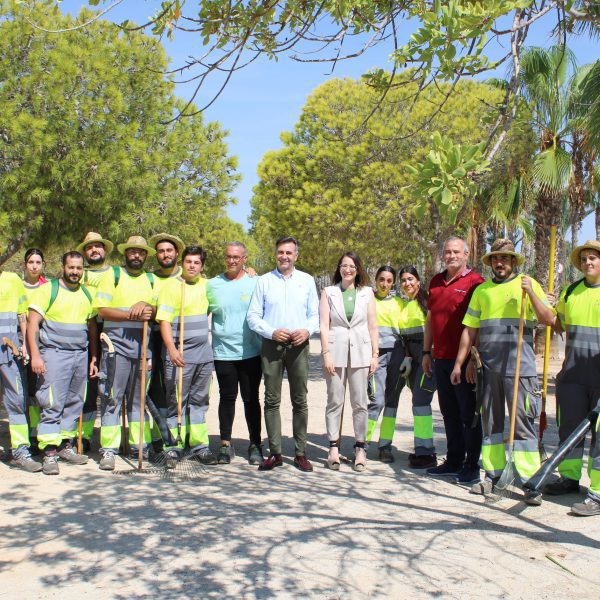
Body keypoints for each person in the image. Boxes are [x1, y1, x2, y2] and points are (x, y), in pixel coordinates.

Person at [451, 239, 555, 504]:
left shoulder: (528, 285)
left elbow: (548, 319)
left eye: (505, 259)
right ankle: (494, 475)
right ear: (491, 263)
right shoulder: (482, 292)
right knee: (492, 424)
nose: (500, 263)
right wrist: (460, 364)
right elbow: (469, 330)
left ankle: (531, 481)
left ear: (513, 262)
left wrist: (531, 293)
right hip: (489, 370)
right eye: (496, 259)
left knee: (522, 424)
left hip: (521, 369)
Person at [247, 236, 319, 472]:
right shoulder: (264, 282)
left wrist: (307, 331)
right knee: (271, 400)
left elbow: (315, 315)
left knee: (300, 400)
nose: (284, 256)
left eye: (289, 252)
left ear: (296, 255)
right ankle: (275, 453)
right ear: (275, 254)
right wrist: (271, 331)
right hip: (272, 346)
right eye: (280, 252)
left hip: (299, 346)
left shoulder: (307, 281)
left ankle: (300, 453)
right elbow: (253, 316)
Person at [27, 252, 98, 475]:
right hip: (54, 354)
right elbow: (32, 325)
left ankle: (65, 445)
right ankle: (48, 451)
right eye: (71, 267)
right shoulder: (48, 289)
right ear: (63, 267)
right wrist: (36, 356)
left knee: (74, 401)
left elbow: (92, 327)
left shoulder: (87, 293)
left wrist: (94, 356)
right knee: (52, 402)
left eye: (78, 268)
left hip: (80, 354)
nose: (75, 272)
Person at [543, 240, 600, 516]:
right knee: (570, 429)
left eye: (594, 258)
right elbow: (558, 324)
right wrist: (549, 305)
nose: (589, 262)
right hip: (574, 374)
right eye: (586, 258)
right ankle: (569, 478)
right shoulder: (571, 292)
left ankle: (598, 493)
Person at [423, 236, 484, 484]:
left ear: (466, 254)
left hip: (465, 361)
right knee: (448, 412)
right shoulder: (436, 282)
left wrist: (471, 359)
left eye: (456, 252)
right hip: (441, 359)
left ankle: (471, 465)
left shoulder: (476, 283)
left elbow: (477, 326)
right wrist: (426, 352)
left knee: (468, 414)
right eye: (447, 252)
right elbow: (430, 320)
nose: (451, 256)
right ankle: (454, 460)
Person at [93, 235, 157, 470]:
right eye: (132, 252)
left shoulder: (151, 280)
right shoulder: (113, 276)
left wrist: (148, 306)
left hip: (142, 349)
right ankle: (108, 449)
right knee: (112, 398)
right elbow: (102, 310)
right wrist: (134, 314)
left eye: (141, 252)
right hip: (115, 349)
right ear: (125, 254)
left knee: (138, 401)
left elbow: (157, 308)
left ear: (146, 256)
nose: (137, 255)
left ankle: (140, 445)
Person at [156, 245, 216, 465]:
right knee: (176, 401)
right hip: (179, 354)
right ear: (182, 262)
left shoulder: (207, 286)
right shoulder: (172, 287)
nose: (192, 266)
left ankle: (200, 446)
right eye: (189, 261)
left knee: (200, 401)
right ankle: (173, 446)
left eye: (197, 262)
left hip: (203, 354)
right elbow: (164, 321)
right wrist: (171, 349)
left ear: (202, 265)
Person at [320, 252, 378, 472]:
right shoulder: (329, 292)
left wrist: (375, 354)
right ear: (339, 268)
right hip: (335, 352)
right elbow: (324, 326)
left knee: (360, 402)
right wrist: (326, 353)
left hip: (361, 353)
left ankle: (360, 447)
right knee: (335, 400)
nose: (348, 269)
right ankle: (333, 447)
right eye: (344, 265)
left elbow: (372, 326)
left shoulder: (367, 293)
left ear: (358, 269)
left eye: (352, 266)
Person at [207, 241, 264, 465]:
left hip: (251, 352)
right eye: (229, 256)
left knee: (251, 400)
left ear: (245, 260)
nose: (232, 260)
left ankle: (255, 444)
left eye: (237, 257)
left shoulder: (255, 282)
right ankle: (224, 444)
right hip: (223, 353)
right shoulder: (212, 285)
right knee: (227, 398)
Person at [0, 265, 40, 472]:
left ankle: (20, 451)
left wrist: (24, 343)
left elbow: (22, 314)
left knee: (16, 401)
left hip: (8, 352)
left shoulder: (12, 280)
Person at [76, 232, 114, 451]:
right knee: (86, 386)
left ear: (105, 250)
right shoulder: (80, 275)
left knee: (109, 386)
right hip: (85, 331)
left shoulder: (115, 274)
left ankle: (111, 435)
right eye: (89, 248)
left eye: (98, 246)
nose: (94, 250)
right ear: (85, 252)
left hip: (109, 331)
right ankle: (84, 435)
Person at [147, 233, 185, 452]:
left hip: (180, 337)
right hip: (153, 337)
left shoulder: (187, 276)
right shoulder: (150, 278)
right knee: (155, 389)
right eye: (161, 251)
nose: (165, 254)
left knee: (176, 389)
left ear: (176, 253)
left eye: (169, 250)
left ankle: (180, 437)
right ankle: (158, 436)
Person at [398, 266, 437, 468]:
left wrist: (427, 354)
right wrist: (406, 356)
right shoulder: (406, 305)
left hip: (427, 357)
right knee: (418, 403)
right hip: (412, 358)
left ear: (419, 281)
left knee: (421, 402)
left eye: (411, 279)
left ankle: (426, 453)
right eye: (403, 280)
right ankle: (422, 448)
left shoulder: (427, 301)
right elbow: (406, 336)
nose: (407, 283)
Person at [365, 266, 404, 462]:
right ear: (376, 279)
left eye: (389, 281)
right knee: (376, 401)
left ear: (393, 283)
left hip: (397, 354)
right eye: (381, 279)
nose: (384, 284)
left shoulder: (399, 302)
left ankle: (385, 446)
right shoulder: (368, 299)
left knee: (391, 402)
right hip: (375, 355)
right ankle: (362, 443)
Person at [22, 248, 48, 452]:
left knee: (36, 390)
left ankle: (36, 431)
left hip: (40, 346)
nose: (34, 266)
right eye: (31, 262)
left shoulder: (48, 287)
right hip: (16, 343)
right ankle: (25, 432)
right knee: (20, 391)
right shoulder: (17, 286)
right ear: (25, 264)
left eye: (38, 262)